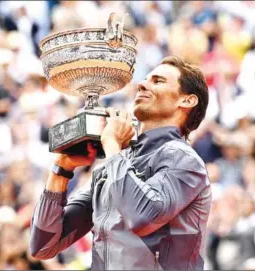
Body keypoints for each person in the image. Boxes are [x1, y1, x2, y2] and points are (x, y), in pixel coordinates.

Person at [29, 56, 211, 270]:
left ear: (187, 100)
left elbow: (142, 216)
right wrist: (61, 169)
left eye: (158, 81)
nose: (142, 84)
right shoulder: (114, 165)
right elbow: (43, 246)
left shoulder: (184, 160)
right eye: (145, 79)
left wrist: (113, 146)